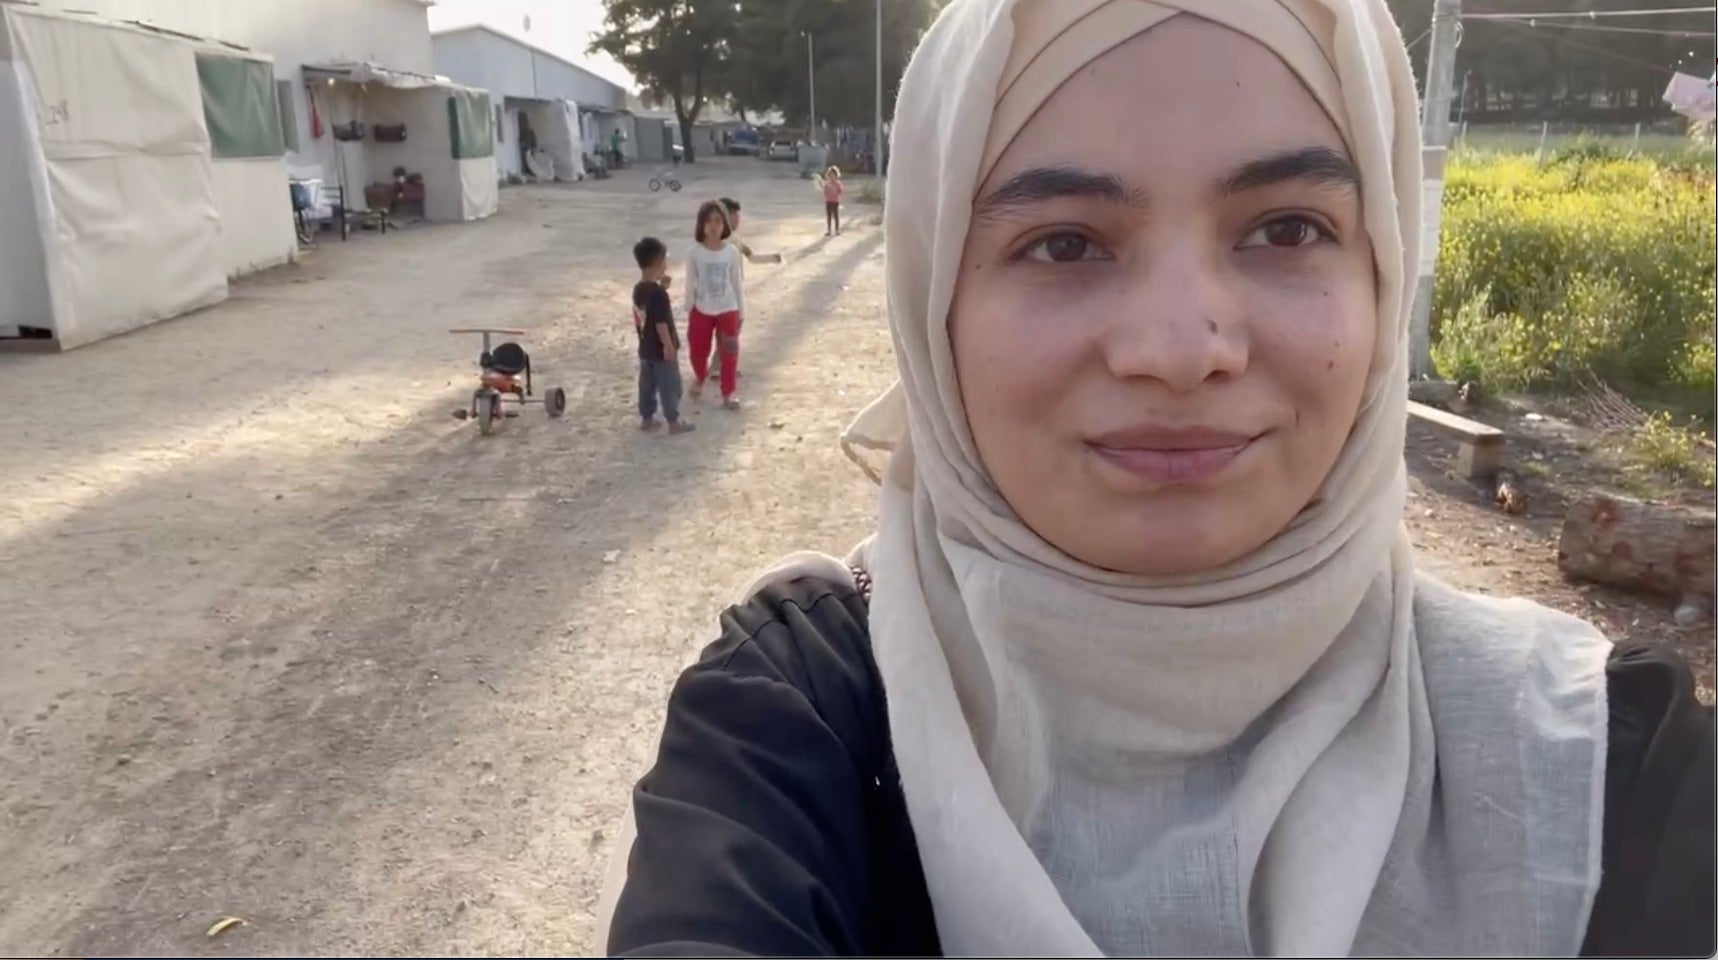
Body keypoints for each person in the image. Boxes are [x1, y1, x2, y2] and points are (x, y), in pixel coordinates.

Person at [600, 0, 1714, 957]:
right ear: (933, 304)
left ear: (1380, 278)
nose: (1181, 349)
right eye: (1064, 244)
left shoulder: (1603, 773)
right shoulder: (792, 728)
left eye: (1286, 228)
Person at [684, 201, 746, 410]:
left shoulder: (731, 252)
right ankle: (700, 377)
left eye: (718, 221)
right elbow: (690, 281)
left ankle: (728, 393)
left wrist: (741, 311)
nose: (713, 225)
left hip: (728, 309)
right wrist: (689, 307)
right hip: (701, 310)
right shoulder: (695, 253)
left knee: (729, 353)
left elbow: (736, 283)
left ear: (724, 225)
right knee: (697, 351)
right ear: (701, 225)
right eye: (708, 221)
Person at [631, 236, 693, 436]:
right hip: (660, 347)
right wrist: (668, 346)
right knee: (670, 384)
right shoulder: (659, 294)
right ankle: (673, 421)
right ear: (658, 261)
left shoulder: (639, 289)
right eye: (665, 259)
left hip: (645, 347)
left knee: (647, 384)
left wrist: (661, 288)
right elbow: (660, 322)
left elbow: (646, 313)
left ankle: (647, 418)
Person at [820, 165, 844, 236]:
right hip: (828, 201)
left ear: (836, 176)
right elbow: (825, 193)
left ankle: (837, 230)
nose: (832, 177)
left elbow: (841, 191)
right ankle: (829, 230)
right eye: (830, 175)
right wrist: (826, 189)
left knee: (836, 216)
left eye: (833, 175)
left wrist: (835, 192)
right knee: (829, 216)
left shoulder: (838, 184)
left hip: (835, 201)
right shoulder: (827, 184)